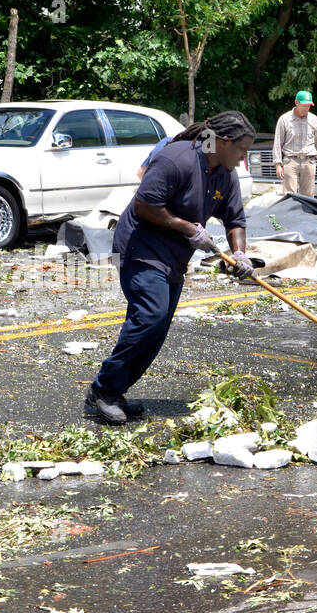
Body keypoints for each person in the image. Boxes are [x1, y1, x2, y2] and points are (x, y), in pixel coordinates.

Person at [86, 111, 254, 425]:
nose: (245, 156)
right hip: (140, 248)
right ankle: (104, 390)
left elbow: (235, 220)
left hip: (174, 257)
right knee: (149, 317)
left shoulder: (225, 173)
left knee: (157, 327)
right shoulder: (178, 159)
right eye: (242, 148)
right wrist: (188, 228)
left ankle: (114, 389)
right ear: (225, 141)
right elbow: (144, 204)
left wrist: (240, 254)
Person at [272, 90, 317, 197]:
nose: (307, 108)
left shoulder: (314, 120)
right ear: (296, 102)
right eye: (304, 105)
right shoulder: (284, 120)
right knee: (289, 196)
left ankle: (306, 214)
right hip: (290, 161)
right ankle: (289, 214)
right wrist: (278, 165)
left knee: (308, 196)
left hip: (309, 161)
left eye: (309, 106)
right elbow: (278, 143)